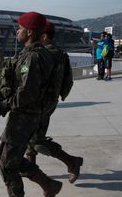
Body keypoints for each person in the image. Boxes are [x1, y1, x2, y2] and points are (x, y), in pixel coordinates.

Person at [0, 12, 61, 197]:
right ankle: (48, 184)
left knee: (7, 164)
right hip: (26, 116)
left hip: (25, 117)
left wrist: (5, 104)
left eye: (20, 28)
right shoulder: (32, 54)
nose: (18, 31)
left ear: (30, 31)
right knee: (6, 157)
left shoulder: (32, 57)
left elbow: (28, 92)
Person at [24, 20, 83, 184]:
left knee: (37, 140)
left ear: (42, 35)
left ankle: (71, 161)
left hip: (40, 103)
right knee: (32, 134)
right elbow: (67, 80)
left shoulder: (44, 54)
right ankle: (31, 167)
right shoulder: (60, 54)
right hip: (47, 101)